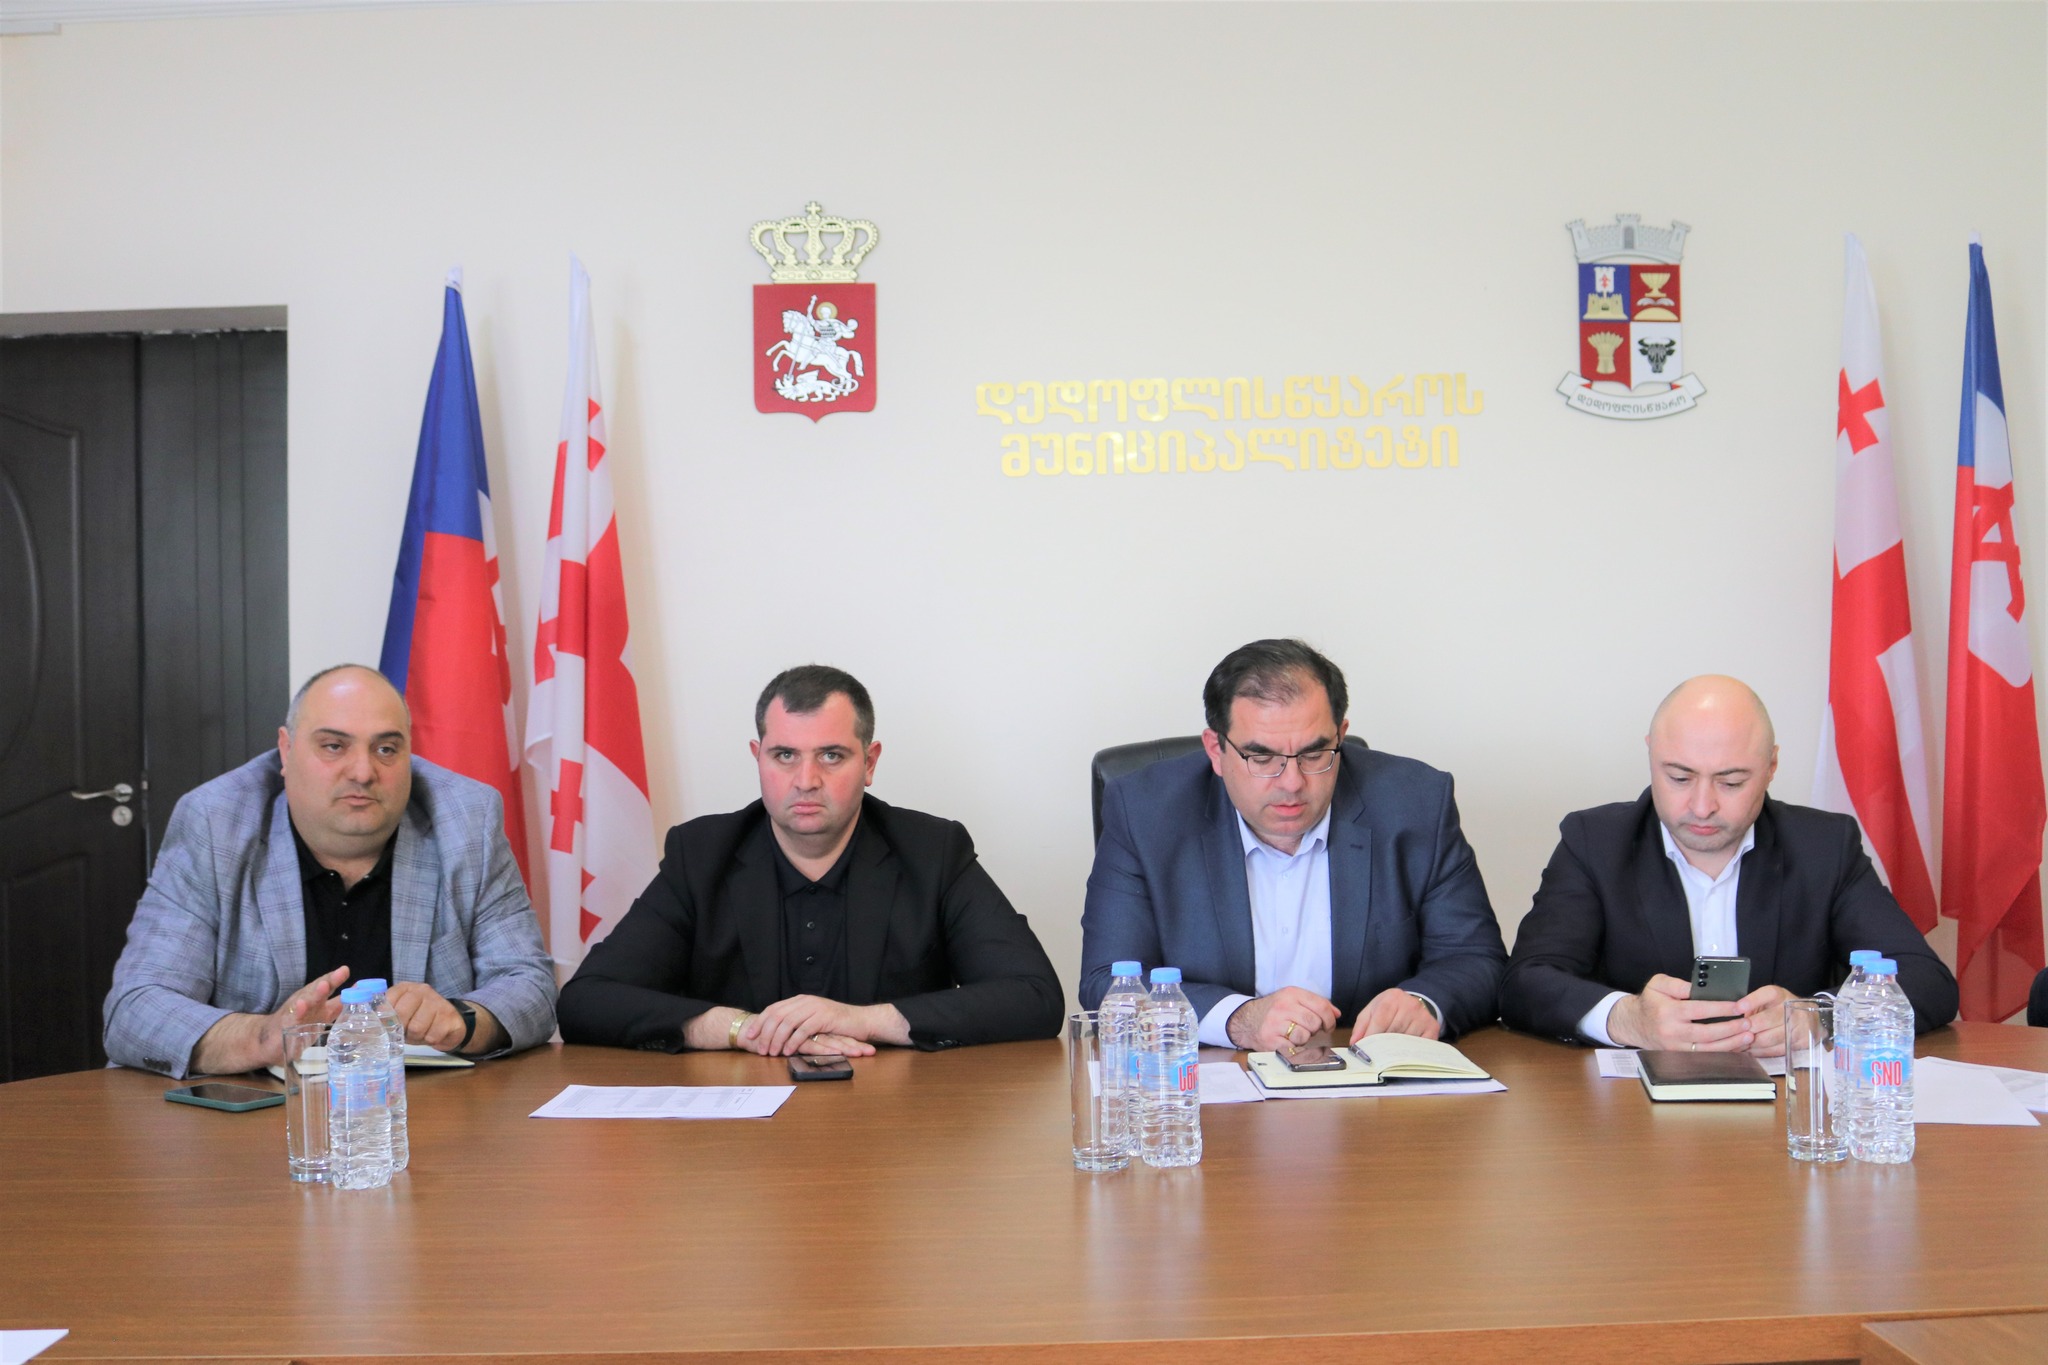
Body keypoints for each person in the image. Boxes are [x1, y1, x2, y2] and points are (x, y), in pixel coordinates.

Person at [557, 665, 1063, 1054]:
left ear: (870, 762)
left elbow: (1035, 996)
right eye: (785, 755)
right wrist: (740, 1029)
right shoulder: (701, 855)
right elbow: (586, 1001)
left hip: (897, 1125)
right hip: (738, 1132)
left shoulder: (933, 851)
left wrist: (864, 1020)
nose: (806, 781)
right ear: (757, 757)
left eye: (831, 755)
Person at [103, 665, 557, 1078]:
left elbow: (531, 987)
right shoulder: (216, 823)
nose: (362, 771)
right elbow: (135, 1009)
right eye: (334, 746)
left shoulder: (466, 819)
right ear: (286, 750)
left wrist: (461, 1020)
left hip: (425, 1115)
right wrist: (263, 1037)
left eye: (386, 749)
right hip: (255, 1118)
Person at [1078, 639, 1507, 1051]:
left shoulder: (1415, 803)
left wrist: (1424, 1002)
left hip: (1368, 1076)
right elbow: (1108, 981)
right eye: (1262, 758)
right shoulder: (1145, 813)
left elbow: (1476, 959)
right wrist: (1238, 1018)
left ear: (1340, 735)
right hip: (1204, 1082)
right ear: (1216, 750)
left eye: (1314, 754)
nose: (1292, 782)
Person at [1500, 675, 1958, 1053]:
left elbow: (1928, 981)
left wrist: (1819, 1017)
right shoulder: (1595, 842)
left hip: (1782, 1115)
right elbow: (1525, 982)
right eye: (1679, 777)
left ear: (1771, 766)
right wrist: (1627, 1019)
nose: (1702, 806)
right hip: (1631, 1115)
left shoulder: (1824, 847)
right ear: (1650, 755)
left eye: (1731, 782)